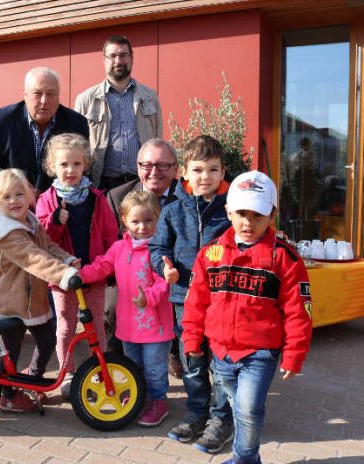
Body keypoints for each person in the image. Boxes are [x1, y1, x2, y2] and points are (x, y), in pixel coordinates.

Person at [183, 170, 313, 461]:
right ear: (228, 211)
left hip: (260, 353)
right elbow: (195, 303)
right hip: (221, 351)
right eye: (241, 213)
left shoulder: (286, 259)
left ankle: (244, 456)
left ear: (272, 215)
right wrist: (192, 340)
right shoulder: (210, 254)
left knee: (248, 408)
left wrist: (294, 354)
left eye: (257, 215)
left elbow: (298, 312)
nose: (248, 222)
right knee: (233, 401)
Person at [149, 135, 233, 451]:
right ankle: (197, 412)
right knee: (192, 360)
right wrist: (165, 266)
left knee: (222, 363)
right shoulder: (172, 210)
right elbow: (158, 247)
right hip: (184, 300)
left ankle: (221, 418)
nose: (205, 177)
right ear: (183, 172)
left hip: (224, 301)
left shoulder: (232, 210)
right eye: (198, 170)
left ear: (223, 172)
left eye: (213, 170)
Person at [0, 168, 81, 412]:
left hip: (34, 301)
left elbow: (46, 246)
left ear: (29, 195)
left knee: (47, 339)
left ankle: (33, 379)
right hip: (13, 303)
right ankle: (6, 395)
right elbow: (34, 257)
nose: (14, 201)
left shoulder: (30, 221)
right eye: (6, 197)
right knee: (11, 352)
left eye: (19, 194)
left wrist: (67, 259)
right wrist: (63, 275)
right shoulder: (8, 234)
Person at [79, 190, 174, 427]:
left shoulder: (159, 250)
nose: (142, 227)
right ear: (124, 221)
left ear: (158, 219)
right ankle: (139, 394)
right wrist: (79, 275)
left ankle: (158, 401)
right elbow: (102, 266)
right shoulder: (119, 248)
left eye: (148, 220)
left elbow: (165, 282)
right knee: (134, 366)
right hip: (128, 326)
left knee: (154, 368)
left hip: (155, 327)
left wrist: (149, 298)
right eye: (136, 221)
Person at [35, 133, 118, 399]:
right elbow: (42, 240)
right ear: (52, 167)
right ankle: (68, 374)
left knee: (97, 325)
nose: (70, 170)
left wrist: (109, 268)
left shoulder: (97, 198)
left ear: (86, 165)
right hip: (62, 277)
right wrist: (55, 221)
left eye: (76, 164)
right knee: (66, 327)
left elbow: (109, 234)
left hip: (93, 275)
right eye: (63, 165)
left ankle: (100, 370)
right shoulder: (47, 200)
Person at [105, 138, 183, 378]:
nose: (153, 172)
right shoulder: (118, 196)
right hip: (131, 275)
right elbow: (110, 243)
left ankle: (172, 352)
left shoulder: (187, 198)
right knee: (111, 302)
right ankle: (119, 362)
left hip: (173, 273)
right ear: (138, 166)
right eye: (147, 165)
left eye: (162, 165)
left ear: (175, 168)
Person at [0, 67, 90, 201]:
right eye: (37, 93)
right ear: (25, 95)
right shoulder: (2, 121)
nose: (44, 101)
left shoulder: (76, 123)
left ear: (59, 95)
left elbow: (83, 169)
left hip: (59, 209)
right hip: (12, 208)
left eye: (51, 94)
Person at [75, 35, 163, 190]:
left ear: (132, 58)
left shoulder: (150, 97)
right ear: (104, 60)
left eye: (123, 55)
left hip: (141, 182)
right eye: (113, 56)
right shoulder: (86, 100)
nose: (118, 61)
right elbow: (77, 147)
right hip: (102, 185)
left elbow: (158, 141)